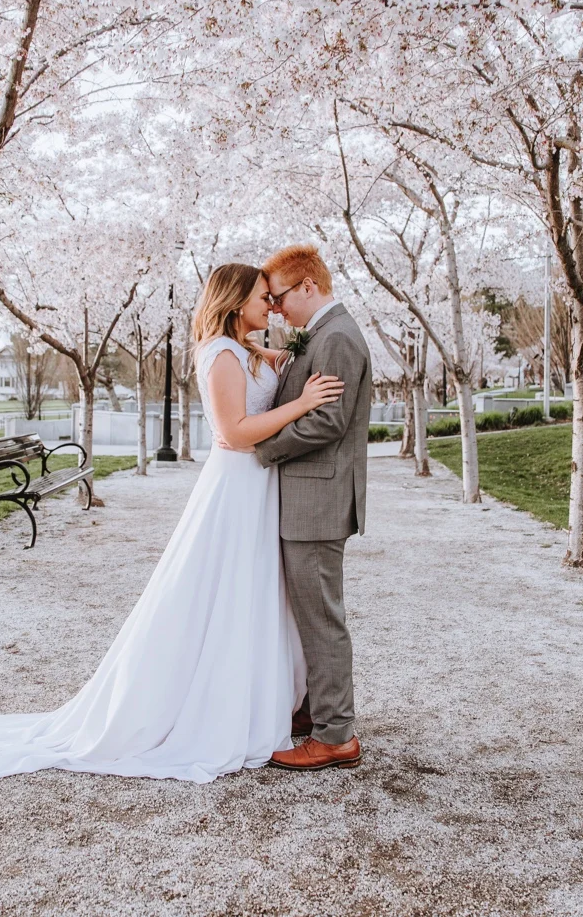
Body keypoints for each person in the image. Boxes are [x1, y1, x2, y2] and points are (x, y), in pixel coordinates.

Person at [0, 263, 343, 793]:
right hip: (236, 487)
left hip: (260, 488)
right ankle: (210, 708)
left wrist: (295, 353)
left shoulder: (250, 351)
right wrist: (301, 403)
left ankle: (263, 699)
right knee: (223, 592)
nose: (271, 306)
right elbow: (232, 433)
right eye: (262, 297)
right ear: (233, 303)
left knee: (255, 595)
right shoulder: (220, 354)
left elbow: (273, 370)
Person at [253, 244, 372, 771]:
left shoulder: (338, 338)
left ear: (307, 287)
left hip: (318, 499)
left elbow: (328, 423)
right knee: (307, 613)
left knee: (322, 618)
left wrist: (264, 449)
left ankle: (335, 733)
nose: (275, 309)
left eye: (278, 298)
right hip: (306, 496)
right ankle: (315, 709)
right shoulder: (320, 336)